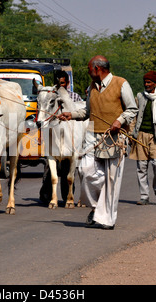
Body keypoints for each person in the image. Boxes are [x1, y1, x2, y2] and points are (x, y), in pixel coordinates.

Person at [59, 55, 138, 230]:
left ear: (97, 69)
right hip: (92, 136)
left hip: (115, 139)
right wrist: (70, 115)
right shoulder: (91, 88)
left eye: (89, 69)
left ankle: (107, 220)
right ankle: (97, 207)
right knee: (85, 171)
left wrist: (120, 120)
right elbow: (87, 112)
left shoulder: (121, 83)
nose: (88, 72)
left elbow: (132, 108)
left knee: (112, 179)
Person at [129, 71, 156, 205]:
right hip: (141, 135)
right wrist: (132, 133)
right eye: (145, 82)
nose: (146, 85)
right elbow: (134, 116)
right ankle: (144, 196)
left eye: (149, 82)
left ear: (155, 83)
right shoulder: (139, 97)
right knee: (141, 167)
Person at [39, 71, 83, 204]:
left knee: (68, 170)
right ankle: (48, 196)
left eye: (63, 83)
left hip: (70, 137)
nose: (60, 86)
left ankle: (68, 196)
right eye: (58, 83)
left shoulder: (75, 97)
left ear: (67, 83)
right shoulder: (49, 96)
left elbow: (81, 115)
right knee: (49, 168)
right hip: (53, 136)